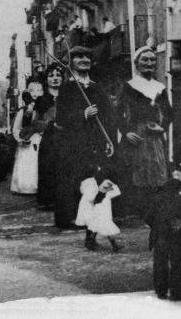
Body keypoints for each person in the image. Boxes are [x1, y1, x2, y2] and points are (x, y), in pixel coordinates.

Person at [55, 45, 116, 228]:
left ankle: (96, 217)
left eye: (87, 56)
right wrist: (83, 114)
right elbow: (61, 118)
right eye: (78, 56)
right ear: (71, 62)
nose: (84, 59)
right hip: (74, 142)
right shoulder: (67, 88)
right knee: (74, 178)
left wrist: (109, 139)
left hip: (96, 140)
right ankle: (72, 218)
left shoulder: (98, 88)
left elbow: (108, 117)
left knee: (97, 178)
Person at [116, 46, 173, 217]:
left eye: (152, 60)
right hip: (136, 136)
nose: (149, 63)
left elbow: (169, 113)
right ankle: (136, 211)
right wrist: (126, 132)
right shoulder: (128, 87)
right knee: (135, 171)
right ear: (136, 63)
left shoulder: (160, 87)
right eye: (145, 60)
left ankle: (154, 209)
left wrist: (162, 127)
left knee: (158, 171)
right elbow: (118, 113)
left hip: (154, 136)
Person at [145, 178, 181, 301]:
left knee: (160, 263)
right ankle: (176, 293)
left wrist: (157, 226)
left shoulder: (157, 200)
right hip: (177, 237)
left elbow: (147, 218)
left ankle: (161, 291)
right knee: (178, 265)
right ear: (179, 189)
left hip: (161, 236)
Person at [35, 64, 65, 209]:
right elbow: (35, 122)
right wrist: (50, 125)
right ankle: (48, 200)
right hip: (49, 138)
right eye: (51, 76)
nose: (55, 79)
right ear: (46, 80)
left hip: (67, 137)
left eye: (58, 75)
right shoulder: (41, 100)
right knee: (48, 166)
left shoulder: (69, 97)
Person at [10, 81, 44, 195]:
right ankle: (26, 187)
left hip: (41, 139)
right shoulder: (24, 110)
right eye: (32, 90)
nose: (36, 93)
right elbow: (16, 128)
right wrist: (20, 139)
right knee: (28, 163)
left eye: (39, 90)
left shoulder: (45, 108)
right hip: (28, 140)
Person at [87, 179, 123, 252]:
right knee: (107, 230)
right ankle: (114, 246)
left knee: (96, 228)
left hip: (97, 214)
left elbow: (92, 203)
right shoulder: (108, 194)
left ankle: (90, 244)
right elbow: (118, 192)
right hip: (104, 216)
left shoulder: (98, 195)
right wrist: (114, 184)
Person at [77, 168, 100, 249]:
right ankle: (90, 242)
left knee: (89, 224)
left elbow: (82, 191)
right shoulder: (93, 182)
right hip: (90, 204)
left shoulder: (84, 182)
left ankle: (89, 240)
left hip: (84, 203)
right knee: (94, 223)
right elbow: (93, 194)